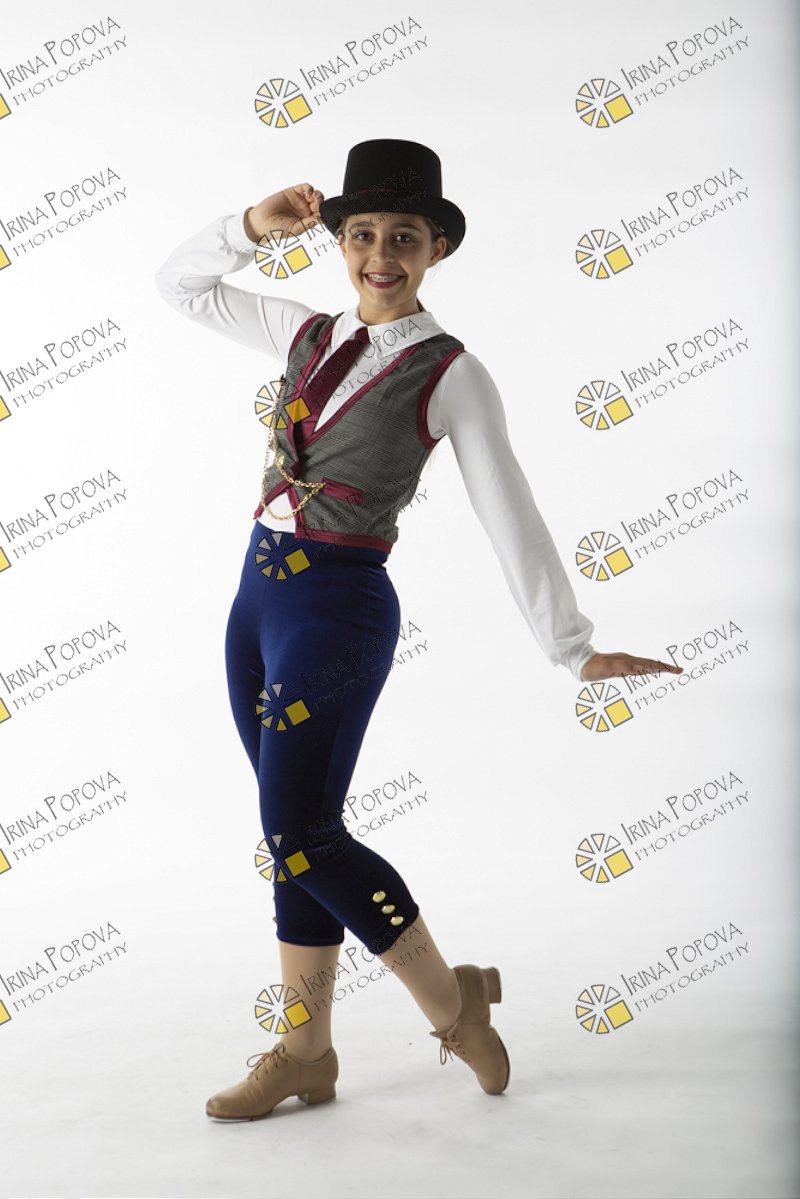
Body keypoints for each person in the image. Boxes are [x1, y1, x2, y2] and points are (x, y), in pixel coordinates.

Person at [153, 139, 682, 1122]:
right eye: (360, 235)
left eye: (403, 237)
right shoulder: (306, 332)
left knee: (302, 833)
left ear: (437, 248)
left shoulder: (451, 373)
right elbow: (178, 285)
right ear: (339, 243)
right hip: (256, 597)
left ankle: (451, 1002)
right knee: (293, 835)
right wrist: (252, 227)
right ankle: (306, 1053)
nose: (379, 256)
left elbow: (507, 508)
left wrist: (571, 644)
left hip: (337, 606)